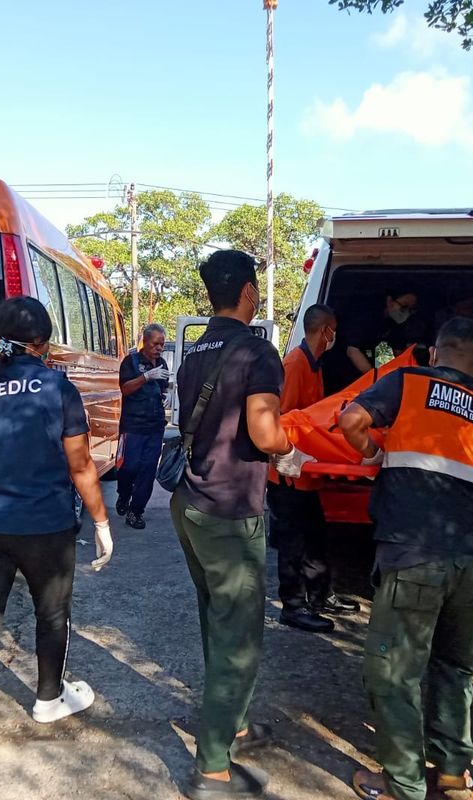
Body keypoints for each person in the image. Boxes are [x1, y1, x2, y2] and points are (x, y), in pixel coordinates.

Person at [339, 317, 473, 800]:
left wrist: (375, 453)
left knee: (396, 672)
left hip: (415, 553)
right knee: (456, 669)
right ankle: (454, 771)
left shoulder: (411, 382)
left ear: (434, 354)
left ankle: (402, 782)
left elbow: (351, 420)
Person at [0, 296, 114, 785]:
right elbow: (80, 464)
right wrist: (102, 522)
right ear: (42, 342)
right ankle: (48, 699)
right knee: (52, 614)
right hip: (44, 526)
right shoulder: (59, 387)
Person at [171, 249, 312, 799]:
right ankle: (211, 771)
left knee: (218, 619)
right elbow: (264, 430)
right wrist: (291, 446)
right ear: (249, 293)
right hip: (230, 510)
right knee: (238, 637)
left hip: (192, 504)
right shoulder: (257, 350)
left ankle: (231, 726)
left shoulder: (192, 352)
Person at [268, 304, 359, 634]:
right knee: (293, 542)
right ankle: (293, 606)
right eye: (334, 329)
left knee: (317, 537)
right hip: (288, 472)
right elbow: (281, 422)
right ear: (326, 331)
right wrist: (293, 463)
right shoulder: (295, 365)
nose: (335, 336)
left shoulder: (314, 364)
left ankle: (320, 595)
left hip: (305, 471)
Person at [116, 323, 171, 529]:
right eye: (156, 344)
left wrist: (165, 397)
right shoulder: (131, 362)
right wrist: (146, 376)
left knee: (147, 471)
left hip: (155, 426)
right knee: (129, 467)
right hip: (132, 426)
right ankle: (123, 494)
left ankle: (136, 511)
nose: (159, 348)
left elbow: (163, 389)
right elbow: (125, 389)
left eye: (162, 344)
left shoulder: (163, 364)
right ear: (145, 342)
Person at [345, 292, 430, 374]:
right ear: (390, 301)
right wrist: (376, 379)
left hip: (375, 364)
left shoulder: (398, 324)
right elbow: (352, 351)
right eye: (404, 306)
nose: (406, 311)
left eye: (411, 309)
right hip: (350, 368)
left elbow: (398, 354)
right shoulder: (365, 316)